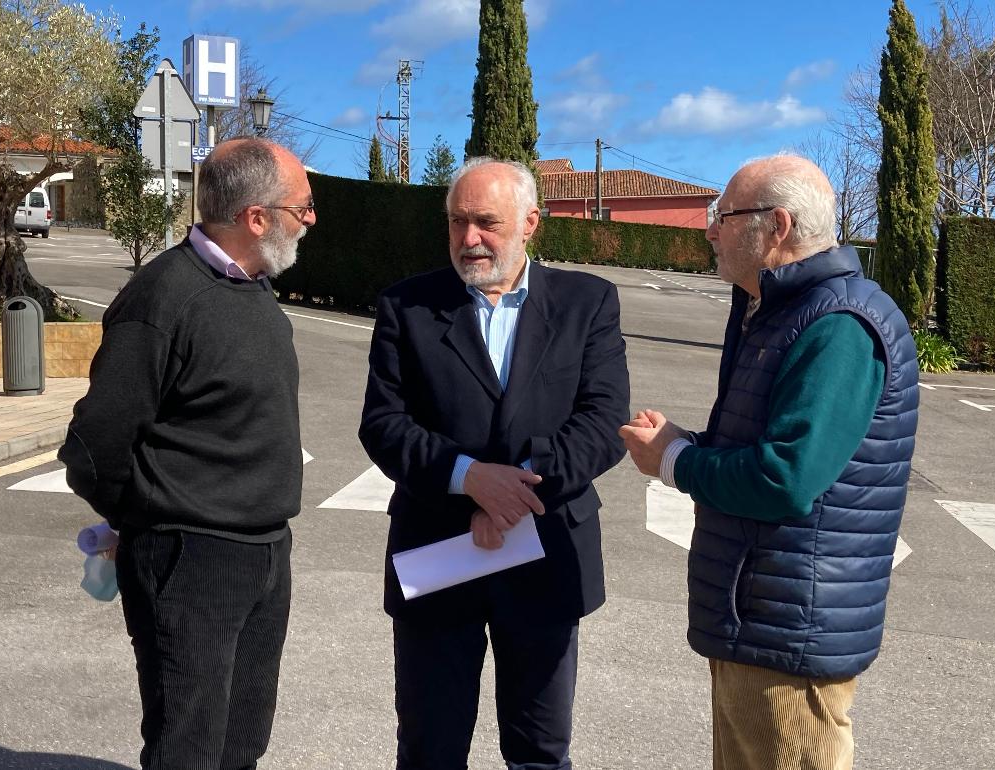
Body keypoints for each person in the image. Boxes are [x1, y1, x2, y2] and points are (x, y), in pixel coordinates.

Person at [619, 154, 918, 770]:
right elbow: (764, 449)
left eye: (722, 216)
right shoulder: (780, 311)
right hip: (763, 623)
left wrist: (674, 459)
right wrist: (687, 444)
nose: (709, 230)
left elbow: (785, 477)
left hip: (787, 641)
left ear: (777, 226)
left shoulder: (837, 323)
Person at [358, 158, 630, 770]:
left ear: (531, 223)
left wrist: (511, 497)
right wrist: (468, 479)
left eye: (487, 223)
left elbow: (602, 421)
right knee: (430, 749)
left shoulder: (588, 303)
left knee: (539, 752)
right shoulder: (408, 306)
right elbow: (383, 424)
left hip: (546, 555)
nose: (469, 239)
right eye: (457, 222)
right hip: (439, 553)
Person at [58, 137, 316, 770]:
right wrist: (147, 517)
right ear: (257, 218)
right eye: (302, 207)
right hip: (188, 558)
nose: (311, 220)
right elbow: (94, 447)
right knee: (187, 749)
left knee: (241, 743)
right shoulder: (163, 297)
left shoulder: (253, 290)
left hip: (263, 553)